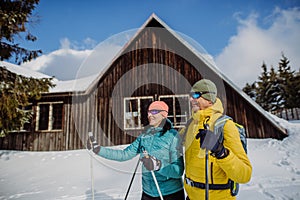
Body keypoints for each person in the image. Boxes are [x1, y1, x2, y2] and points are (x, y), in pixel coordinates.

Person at [87, 101, 185, 200]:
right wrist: (98, 149)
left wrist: (158, 165)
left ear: (164, 115)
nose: (150, 115)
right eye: (149, 112)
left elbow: (178, 171)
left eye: (154, 111)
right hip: (148, 193)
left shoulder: (173, 136)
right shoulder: (144, 136)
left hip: (170, 193)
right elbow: (124, 154)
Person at [181, 79, 252, 200]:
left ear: (209, 98)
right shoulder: (190, 124)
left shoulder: (225, 125)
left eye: (196, 95)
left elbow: (244, 175)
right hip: (191, 197)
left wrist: (220, 151)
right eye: (190, 95)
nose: (191, 99)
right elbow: (171, 142)